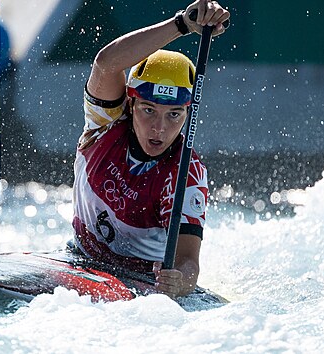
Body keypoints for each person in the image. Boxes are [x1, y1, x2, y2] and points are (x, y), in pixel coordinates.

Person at [69, 0, 230, 299]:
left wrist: (180, 281)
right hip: (79, 259)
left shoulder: (187, 175)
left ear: (187, 114)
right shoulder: (106, 123)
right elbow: (106, 64)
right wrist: (182, 24)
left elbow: (187, 260)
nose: (159, 128)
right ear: (130, 103)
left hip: (142, 283)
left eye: (173, 115)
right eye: (148, 110)